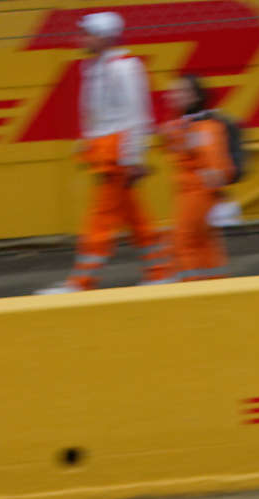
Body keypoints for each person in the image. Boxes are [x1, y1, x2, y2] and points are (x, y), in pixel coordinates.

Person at [36, 11, 168, 294]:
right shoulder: (96, 67)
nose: (80, 39)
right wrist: (88, 142)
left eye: (88, 34)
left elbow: (138, 116)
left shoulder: (124, 67)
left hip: (116, 155)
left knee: (100, 218)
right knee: (134, 217)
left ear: (106, 37)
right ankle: (159, 270)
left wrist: (133, 159)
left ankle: (81, 281)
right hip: (106, 152)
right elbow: (99, 114)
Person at [159, 74, 234, 282]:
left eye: (179, 91)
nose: (172, 96)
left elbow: (212, 160)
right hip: (193, 193)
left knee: (183, 241)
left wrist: (218, 195)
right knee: (204, 243)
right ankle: (216, 283)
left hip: (197, 193)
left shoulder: (203, 127)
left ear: (193, 97)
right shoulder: (187, 125)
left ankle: (190, 287)